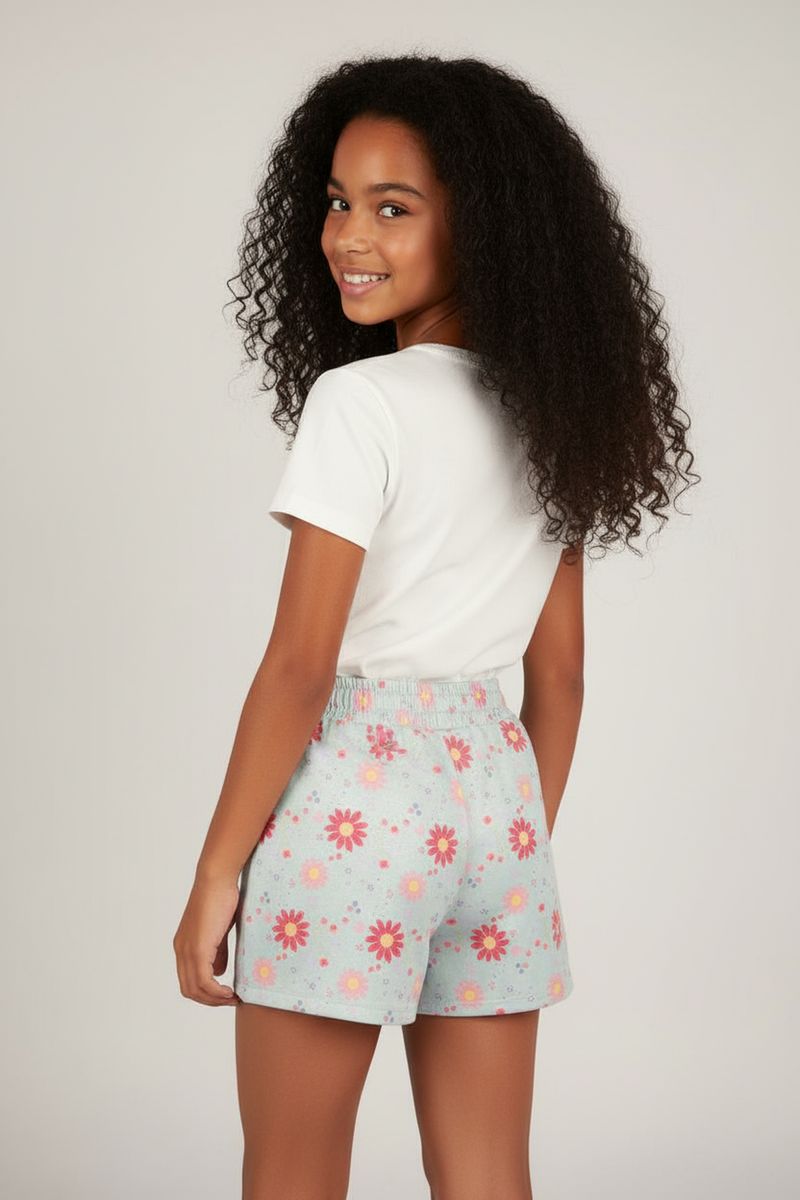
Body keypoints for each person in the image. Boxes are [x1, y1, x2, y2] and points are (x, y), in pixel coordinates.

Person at [173, 53, 698, 1200]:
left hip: (352, 805)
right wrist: (500, 845)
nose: (347, 237)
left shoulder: (358, 402)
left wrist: (216, 873)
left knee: (291, 1171)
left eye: (392, 208)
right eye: (336, 202)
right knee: (487, 1173)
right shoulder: (557, 416)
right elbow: (560, 681)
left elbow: (301, 666)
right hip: (498, 811)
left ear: (485, 226)